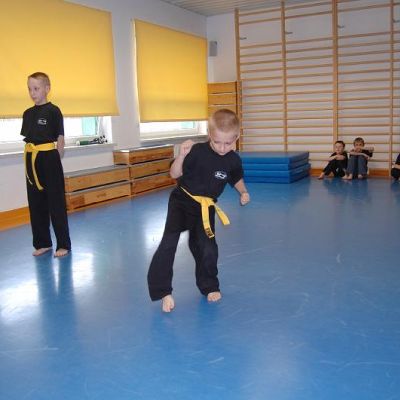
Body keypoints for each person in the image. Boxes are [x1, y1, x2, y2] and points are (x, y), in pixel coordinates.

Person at [147, 109, 250, 312]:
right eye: (217, 142)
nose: (222, 148)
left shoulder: (233, 160)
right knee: (168, 244)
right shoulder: (196, 152)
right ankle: (163, 291)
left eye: (228, 143)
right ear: (209, 134)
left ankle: (209, 286)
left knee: (207, 248)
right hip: (181, 202)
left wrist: (243, 192)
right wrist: (181, 156)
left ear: (237, 137)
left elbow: (236, 177)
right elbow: (174, 174)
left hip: (205, 207)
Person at [21, 72, 71, 257]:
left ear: (47, 89)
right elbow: (29, 138)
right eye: (29, 89)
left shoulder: (53, 111)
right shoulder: (27, 114)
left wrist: (56, 158)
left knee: (56, 203)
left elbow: (60, 138)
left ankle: (63, 244)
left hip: (49, 158)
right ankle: (43, 243)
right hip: (31, 159)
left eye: (36, 88)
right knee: (36, 202)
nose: (32, 93)